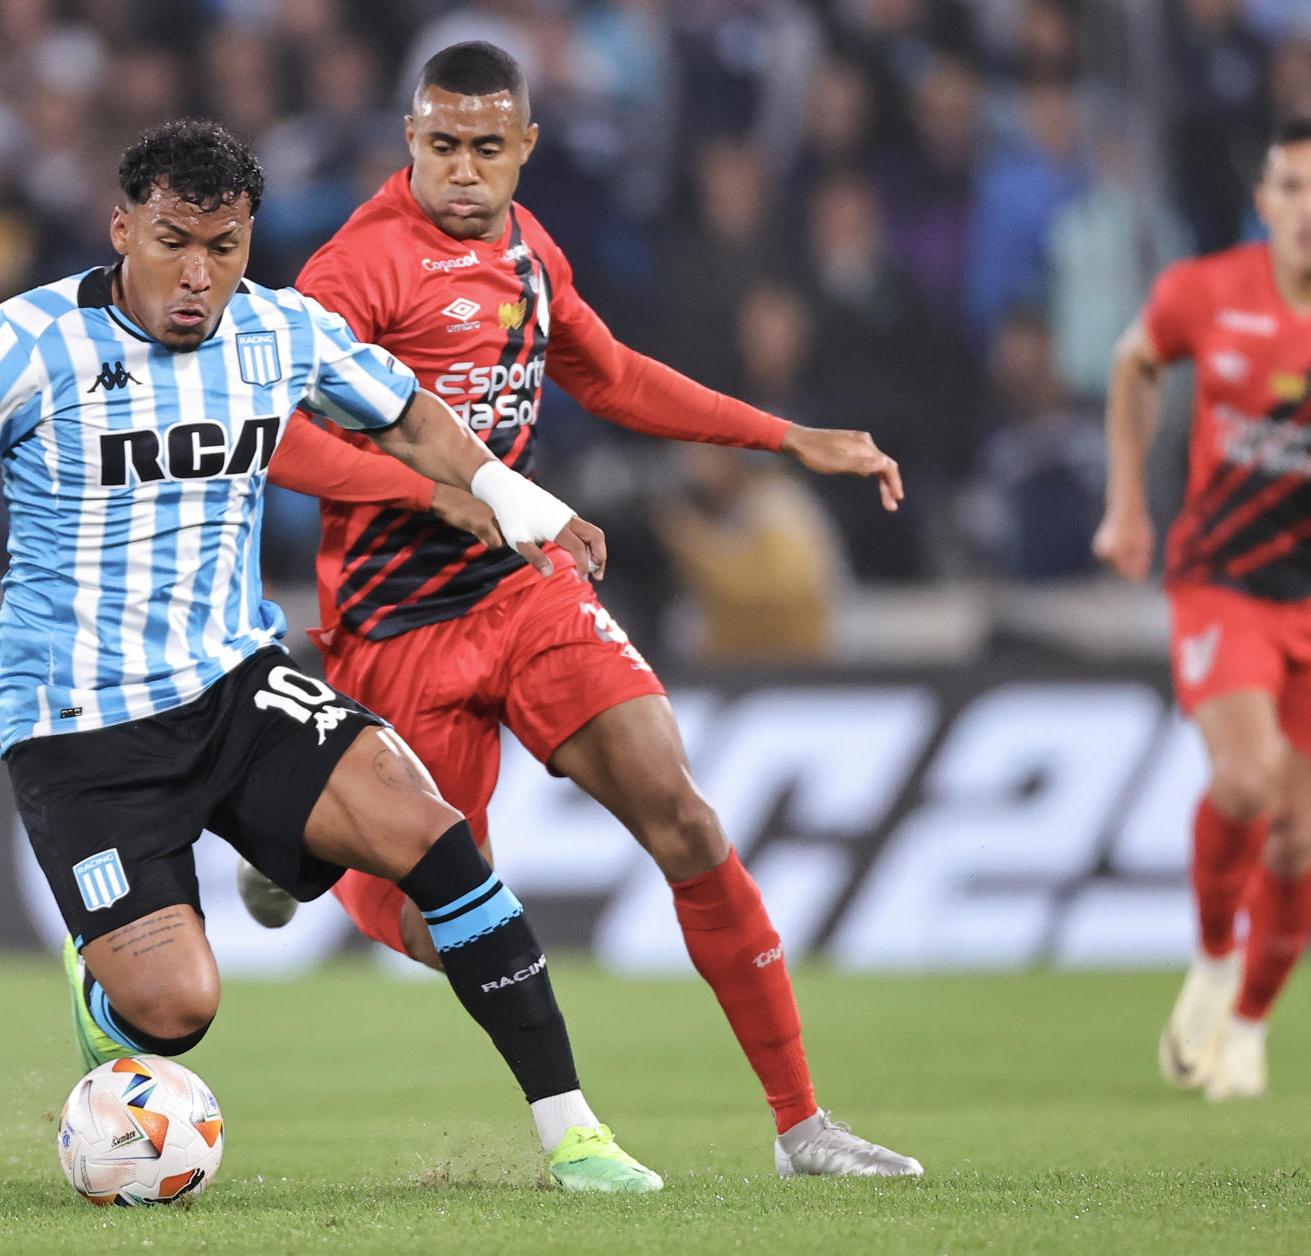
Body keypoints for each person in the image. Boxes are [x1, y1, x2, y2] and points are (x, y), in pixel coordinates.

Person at [0, 120, 661, 1193]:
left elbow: (411, 418)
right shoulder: (28, 339)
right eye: (174, 241)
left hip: (233, 679)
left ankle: (574, 1131)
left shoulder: (281, 331)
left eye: (224, 248)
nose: (198, 275)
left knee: (436, 833)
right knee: (175, 1010)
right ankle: (108, 993)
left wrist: (514, 498)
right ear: (122, 227)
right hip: (82, 723)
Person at [257, 42, 922, 1178]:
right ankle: (301, 840)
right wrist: (440, 493)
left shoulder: (528, 250)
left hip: (524, 589)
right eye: (441, 145)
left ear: (524, 148)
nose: (462, 169)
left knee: (686, 816)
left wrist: (783, 435)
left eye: (486, 147)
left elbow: (610, 373)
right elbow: (283, 435)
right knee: (436, 916)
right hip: (397, 621)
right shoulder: (354, 270)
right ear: (409, 142)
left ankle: (803, 1126)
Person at [1093, 117, 1311, 1100]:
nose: (1310, 208)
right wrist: (1126, 500)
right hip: (1224, 580)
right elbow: (1134, 364)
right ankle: (1212, 957)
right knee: (1245, 781)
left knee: (1296, 834)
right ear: (1264, 202)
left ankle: (1249, 1021)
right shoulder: (1206, 291)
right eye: (1290, 187)